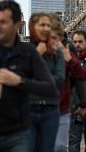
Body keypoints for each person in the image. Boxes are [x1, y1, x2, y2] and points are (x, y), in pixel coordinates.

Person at [0, 0, 58, 151]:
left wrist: (19, 81)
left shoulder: (28, 53)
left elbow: (50, 88)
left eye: (3, 22)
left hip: (17, 135)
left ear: (17, 25)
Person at [28, 12, 66, 151]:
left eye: (48, 25)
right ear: (32, 27)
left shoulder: (56, 52)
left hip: (50, 110)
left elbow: (59, 82)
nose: (45, 29)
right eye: (41, 25)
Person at [51, 18, 86, 152]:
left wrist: (83, 103)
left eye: (56, 37)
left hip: (63, 106)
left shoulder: (67, 48)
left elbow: (80, 77)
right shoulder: (35, 50)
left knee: (60, 146)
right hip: (40, 108)